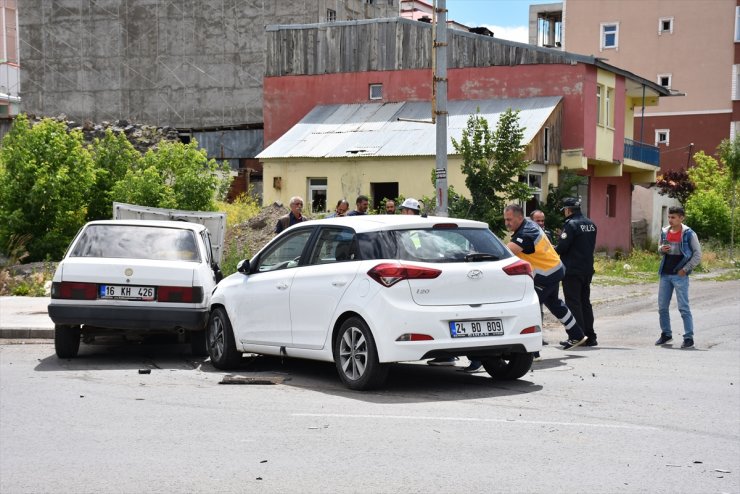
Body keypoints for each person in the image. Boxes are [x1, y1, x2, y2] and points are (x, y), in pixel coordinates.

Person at [504, 203, 588, 350]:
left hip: (546, 275)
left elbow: (504, 254)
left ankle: (532, 351)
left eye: (509, 219)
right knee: (554, 304)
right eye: (505, 219)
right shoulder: (528, 225)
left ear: (519, 217)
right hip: (554, 269)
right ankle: (577, 335)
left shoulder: (525, 233)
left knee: (530, 309)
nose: (507, 223)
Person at [655, 206, 702, 349]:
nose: (670, 220)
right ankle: (666, 334)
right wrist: (661, 250)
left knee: (683, 307)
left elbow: (697, 255)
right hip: (665, 274)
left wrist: (686, 269)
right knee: (662, 307)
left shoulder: (689, 234)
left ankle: (689, 337)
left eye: (673, 217)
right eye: (669, 217)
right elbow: (659, 249)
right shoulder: (664, 231)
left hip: (680, 275)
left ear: (682, 218)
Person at [555, 198, 598, 347]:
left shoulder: (571, 225)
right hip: (586, 269)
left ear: (568, 210)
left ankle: (578, 336)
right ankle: (590, 336)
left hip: (572, 270)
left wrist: (550, 249)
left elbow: (562, 248)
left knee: (573, 303)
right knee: (585, 303)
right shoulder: (591, 224)